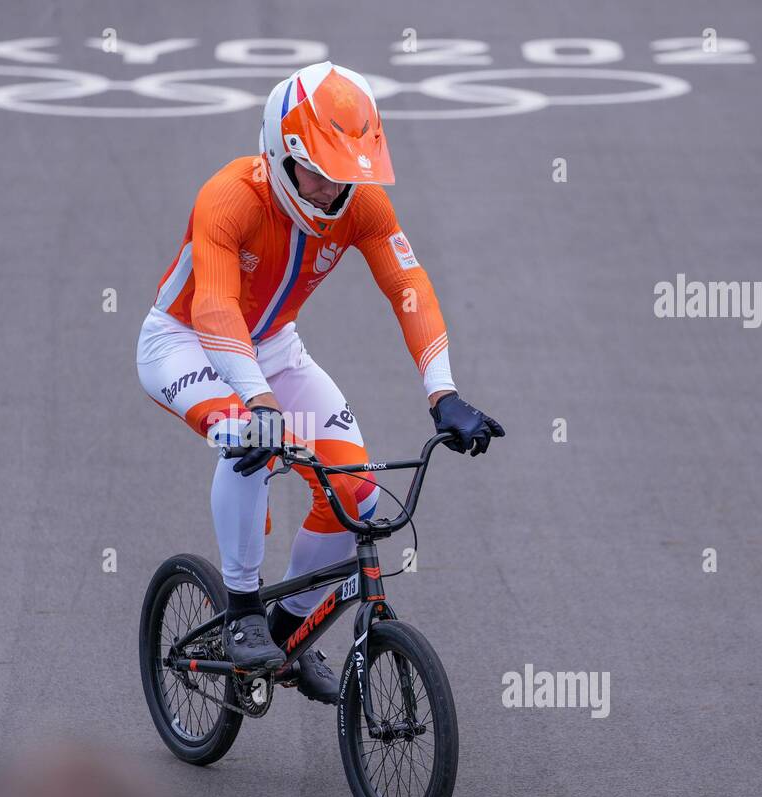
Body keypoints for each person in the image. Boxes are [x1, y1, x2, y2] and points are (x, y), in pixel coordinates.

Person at [135, 62, 503, 704]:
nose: (336, 191)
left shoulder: (361, 203)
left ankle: (284, 633)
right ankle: (244, 605)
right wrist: (258, 402)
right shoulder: (228, 197)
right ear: (281, 152)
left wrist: (442, 392)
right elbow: (214, 308)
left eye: (348, 174)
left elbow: (407, 287)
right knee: (248, 440)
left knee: (355, 491)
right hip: (185, 341)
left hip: (273, 346)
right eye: (323, 171)